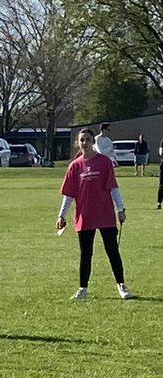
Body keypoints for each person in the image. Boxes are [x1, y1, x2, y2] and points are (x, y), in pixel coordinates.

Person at [58, 128, 132, 300]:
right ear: (78, 142)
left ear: (93, 141)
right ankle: (82, 288)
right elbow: (69, 194)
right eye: (82, 140)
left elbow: (113, 187)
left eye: (88, 139)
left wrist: (121, 209)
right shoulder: (74, 166)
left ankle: (121, 285)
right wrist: (61, 215)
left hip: (105, 214)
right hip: (85, 216)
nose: (85, 143)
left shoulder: (104, 162)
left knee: (112, 251)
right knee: (86, 254)